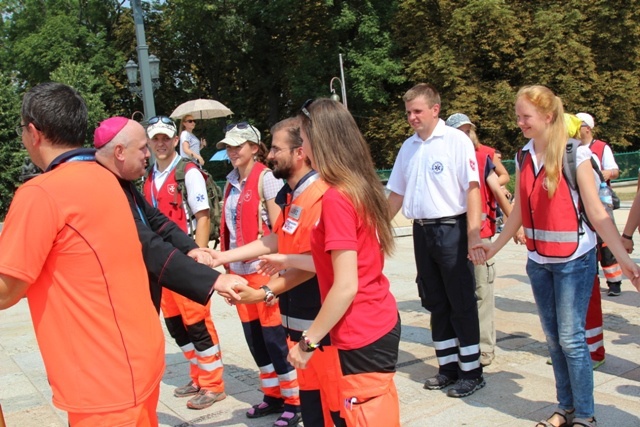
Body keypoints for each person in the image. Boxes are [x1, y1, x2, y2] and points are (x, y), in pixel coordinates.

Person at [0, 82, 165, 426]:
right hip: (137, 357)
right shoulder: (105, 178)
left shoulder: (41, 194)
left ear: (34, 132)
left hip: (103, 380)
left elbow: (7, 288)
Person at [476, 85, 640, 427]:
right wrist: (495, 246)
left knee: (571, 339)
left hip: (573, 261)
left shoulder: (576, 155)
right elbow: (520, 210)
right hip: (539, 263)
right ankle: (564, 408)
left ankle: (585, 414)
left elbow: (596, 213)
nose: (520, 122)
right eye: (518, 116)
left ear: (548, 117)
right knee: (553, 340)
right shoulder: (523, 155)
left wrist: (625, 260)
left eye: (526, 116)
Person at [262, 99, 401, 426]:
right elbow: (336, 263)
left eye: (304, 135)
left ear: (318, 139)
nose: (302, 144)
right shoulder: (358, 185)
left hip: (359, 332)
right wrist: (284, 257)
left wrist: (307, 342)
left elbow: (346, 284)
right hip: (374, 321)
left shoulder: (337, 197)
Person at [210, 117, 345, 427]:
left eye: (275, 148)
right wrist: (221, 257)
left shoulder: (322, 195)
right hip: (297, 319)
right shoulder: (292, 193)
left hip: (317, 324)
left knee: (333, 406)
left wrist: (266, 289)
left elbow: (315, 264)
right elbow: (276, 239)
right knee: (313, 405)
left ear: (300, 152)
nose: (270, 156)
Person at [387, 84, 486, 398]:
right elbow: (396, 194)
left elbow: (472, 190)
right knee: (435, 300)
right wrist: (375, 228)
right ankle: (447, 368)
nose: (412, 118)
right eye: (408, 113)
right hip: (423, 231)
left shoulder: (455, 141)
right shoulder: (409, 147)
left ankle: (471, 371)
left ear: (435, 109)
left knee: (461, 301)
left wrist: (473, 236)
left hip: (451, 229)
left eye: (417, 111)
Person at [93, 117, 246, 312]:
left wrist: (193, 250)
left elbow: (158, 222)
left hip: (175, 266)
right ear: (120, 152)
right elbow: (147, 242)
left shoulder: (124, 180)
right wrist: (211, 279)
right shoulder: (106, 187)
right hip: (154, 275)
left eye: (164, 138)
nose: (148, 153)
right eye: (143, 147)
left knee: (196, 330)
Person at [217, 123, 301, 425]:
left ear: (255, 147)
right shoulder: (230, 181)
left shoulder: (266, 178)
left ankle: (295, 399)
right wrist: (226, 264)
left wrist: (280, 263)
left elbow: (279, 231)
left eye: (238, 145)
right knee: (256, 340)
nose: (232, 151)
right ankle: (273, 395)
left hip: (263, 271)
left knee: (275, 338)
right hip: (240, 273)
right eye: (228, 146)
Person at [143, 116, 226, 410]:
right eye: (156, 139)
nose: (161, 143)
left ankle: (213, 384)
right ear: (150, 142)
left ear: (176, 140)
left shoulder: (187, 172)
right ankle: (198, 376)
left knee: (198, 324)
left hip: (185, 260)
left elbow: (202, 216)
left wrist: (200, 259)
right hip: (164, 265)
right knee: (177, 326)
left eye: (166, 138)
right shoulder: (149, 175)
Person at [445, 113, 514, 367]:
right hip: (450, 235)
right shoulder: (441, 156)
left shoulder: (482, 156)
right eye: (460, 131)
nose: (466, 135)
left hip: (480, 232)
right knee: (455, 292)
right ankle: (462, 342)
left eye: (468, 130)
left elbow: (497, 186)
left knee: (481, 290)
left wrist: (514, 225)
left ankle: (484, 348)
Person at [576, 112, 624, 297]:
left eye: (579, 126)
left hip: (601, 200)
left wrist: (605, 173)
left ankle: (614, 281)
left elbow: (615, 171)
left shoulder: (601, 147)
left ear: (587, 128)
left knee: (606, 241)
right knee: (587, 242)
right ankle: (592, 277)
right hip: (582, 202)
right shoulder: (572, 148)